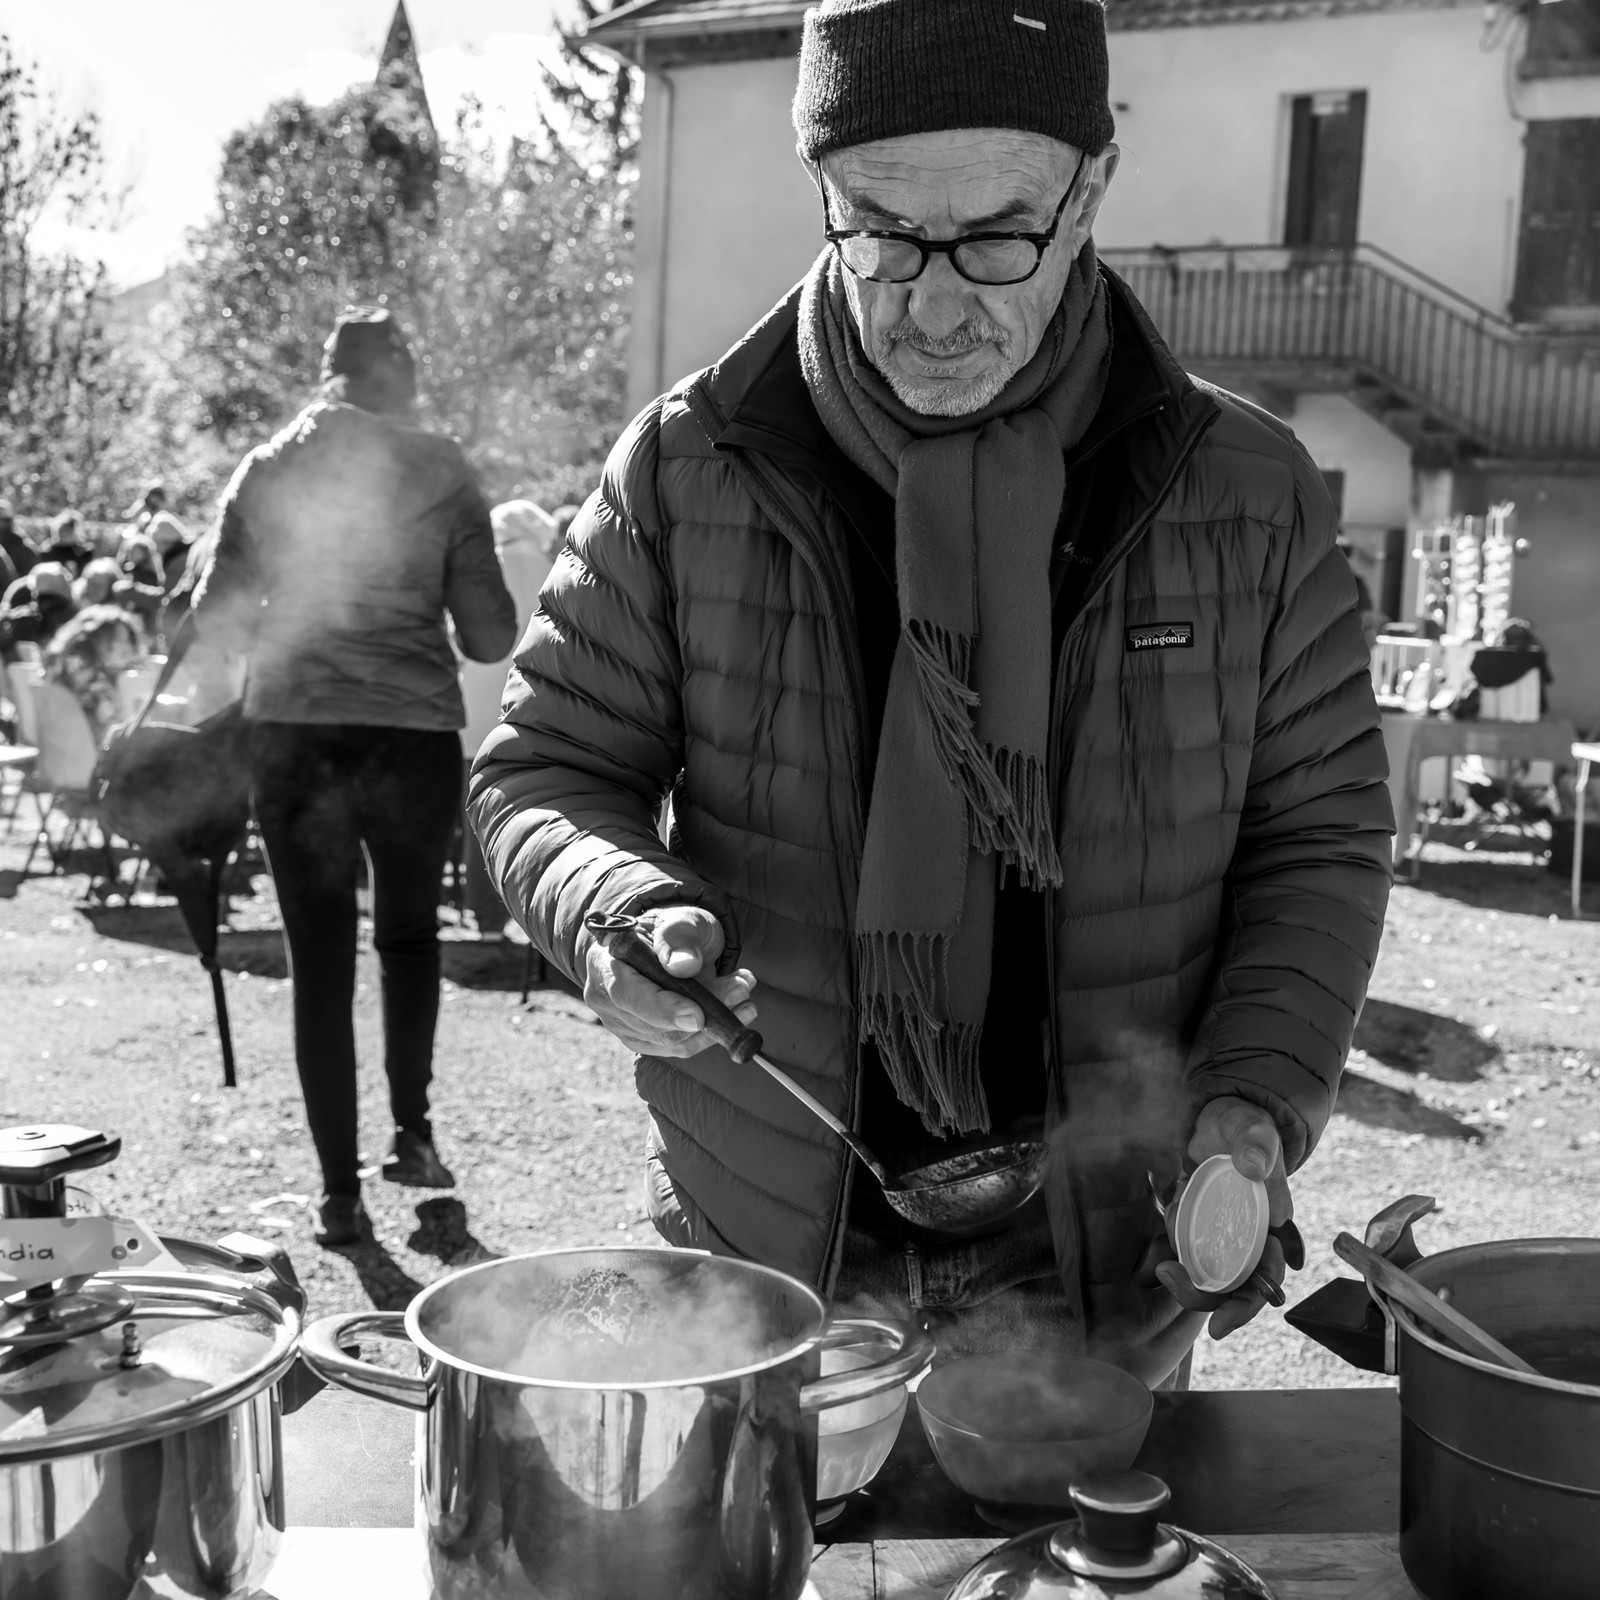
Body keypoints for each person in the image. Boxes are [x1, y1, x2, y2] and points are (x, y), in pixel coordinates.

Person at [470, 0, 1393, 1384]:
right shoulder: (689, 469)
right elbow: (544, 772)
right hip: (776, 1229)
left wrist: (1254, 1100)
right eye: (883, 229)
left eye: (999, 235)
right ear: (819, 190)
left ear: (1093, 193)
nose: (940, 300)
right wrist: (614, 911)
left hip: (1108, 1243)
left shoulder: (1242, 494)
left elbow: (1315, 840)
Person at [193, 306, 516, 1248]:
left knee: (319, 964)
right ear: (401, 373)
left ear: (330, 374)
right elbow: (489, 634)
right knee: (410, 940)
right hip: (409, 736)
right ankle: (412, 1137)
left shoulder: (267, 466)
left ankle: (339, 1194)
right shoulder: (442, 467)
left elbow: (216, 617)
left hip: (292, 735)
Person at [457, 500, 573, 937]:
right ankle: (534, 918)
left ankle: (484, 917)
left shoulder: (482, 568)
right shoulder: (551, 566)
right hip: (528, 707)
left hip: (472, 706)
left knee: (472, 816)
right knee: (526, 811)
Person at [43, 604, 143, 740]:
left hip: (56, 743)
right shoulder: (90, 678)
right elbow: (113, 728)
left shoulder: (65, 662)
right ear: (96, 639)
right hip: (83, 747)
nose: (127, 647)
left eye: (128, 640)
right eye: (118, 640)